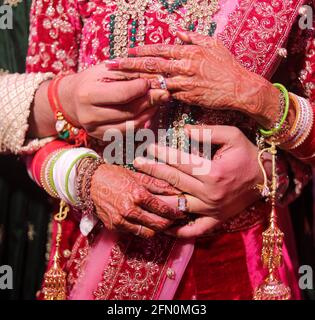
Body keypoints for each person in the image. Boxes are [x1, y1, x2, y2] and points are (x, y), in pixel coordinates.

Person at [25, 0, 312, 300]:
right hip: (101, 253)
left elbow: (304, 155)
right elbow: (33, 128)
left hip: (238, 264)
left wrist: (261, 173)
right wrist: (87, 180)